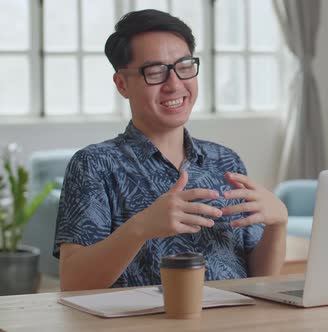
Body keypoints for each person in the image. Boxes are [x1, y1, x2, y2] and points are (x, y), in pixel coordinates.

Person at [53, 9, 287, 291]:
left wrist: (278, 224)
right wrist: (140, 227)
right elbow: (73, 282)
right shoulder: (94, 165)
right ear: (122, 84)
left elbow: (259, 277)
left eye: (184, 67)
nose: (174, 84)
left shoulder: (225, 160)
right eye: (155, 72)